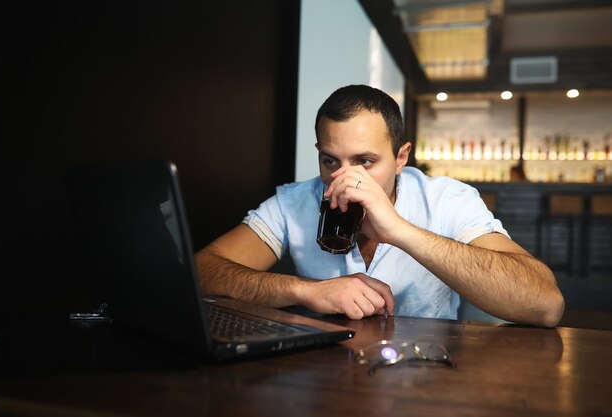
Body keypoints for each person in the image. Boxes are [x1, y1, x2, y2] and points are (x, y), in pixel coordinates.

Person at [196, 85, 564, 327]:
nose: (344, 178)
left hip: (428, 376)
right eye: (330, 161)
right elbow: (201, 271)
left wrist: (401, 232)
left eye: (365, 162)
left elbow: (546, 305)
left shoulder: (447, 200)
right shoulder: (294, 201)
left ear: (401, 157)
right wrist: (303, 290)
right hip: (325, 379)